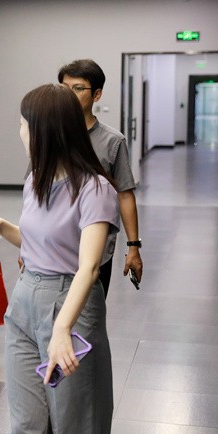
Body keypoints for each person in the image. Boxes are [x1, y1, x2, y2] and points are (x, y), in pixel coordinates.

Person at [0, 84, 117, 434]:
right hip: (26, 302)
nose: (20, 131)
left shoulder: (95, 189)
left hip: (71, 306)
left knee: (78, 433)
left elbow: (88, 266)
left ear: (44, 130)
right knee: (26, 431)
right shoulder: (36, 179)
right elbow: (40, 243)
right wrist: (2, 225)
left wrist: (62, 328)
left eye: (24, 124)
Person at [58, 59, 143, 296]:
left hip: (96, 249)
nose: (69, 95)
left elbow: (125, 195)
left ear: (96, 95)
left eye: (78, 88)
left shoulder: (112, 141)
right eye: (64, 88)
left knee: (90, 312)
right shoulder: (50, 136)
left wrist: (133, 247)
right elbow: (36, 191)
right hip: (54, 245)